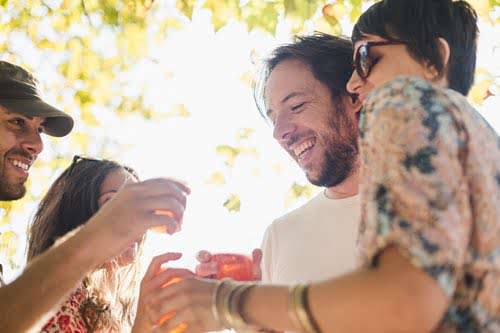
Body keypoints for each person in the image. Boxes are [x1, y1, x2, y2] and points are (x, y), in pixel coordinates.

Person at [144, 1, 500, 332]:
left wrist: (226, 300)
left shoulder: (411, 104)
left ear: (436, 59)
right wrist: (260, 310)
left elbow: (405, 300)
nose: (354, 82)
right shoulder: (477, 152)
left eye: (365, 57)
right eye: (273, 118)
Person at [0, 61, 190, 332]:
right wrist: (97, 238)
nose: (38, 144)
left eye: (39, 129)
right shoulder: (63, 305)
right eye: (17, 121)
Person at [197, 33, 362, 288]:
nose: (279, 132)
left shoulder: (433, 208)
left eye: (296, 106)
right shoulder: (280, 237)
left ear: (354, 98)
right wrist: (247, 310)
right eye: (274, 119)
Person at [27, 157, 193, 332]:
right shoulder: (52, 303)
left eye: (140, 208)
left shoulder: (95, 308)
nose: (137, 220)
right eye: (113, 203)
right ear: (77, 212)